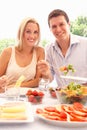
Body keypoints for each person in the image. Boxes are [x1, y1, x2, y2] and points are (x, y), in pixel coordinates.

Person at [37, 9, 87, 87]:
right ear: (50, 29)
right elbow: (50, 79)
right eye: (54, 26)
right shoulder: (49, 49)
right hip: (62, 97)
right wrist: (46, 73)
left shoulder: (85, 44)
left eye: (61, 24)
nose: (58, 29)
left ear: (68, 24)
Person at [0, 17, 45, 88]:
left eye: (35, 32)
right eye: (28, 31)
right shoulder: (8, 52)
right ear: (21, 32)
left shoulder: (40, 51)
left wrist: (16, 86)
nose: (32, 36)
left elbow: (38, 80)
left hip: (29, 96)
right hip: (7, 96)